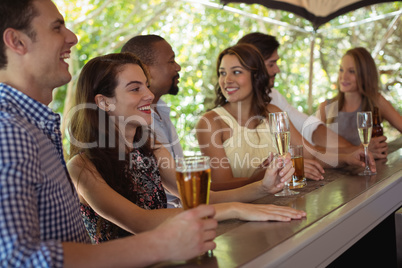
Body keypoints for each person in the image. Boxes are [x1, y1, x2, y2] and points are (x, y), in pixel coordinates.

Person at [0, 0, 218, 266]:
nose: (73, 37)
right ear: (16, 41)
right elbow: (17, 258)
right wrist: (161, 244)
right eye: (57, 28)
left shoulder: (34, 126)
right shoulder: (9, 130)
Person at [66, 52, 307, 243]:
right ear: (103, 102)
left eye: (146, 85)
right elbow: (140, 222)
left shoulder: (150, 146)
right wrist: (236, 210)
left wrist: (263, 187)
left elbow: (202, 199)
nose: (149, 94)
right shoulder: (82, 167)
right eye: (135, 88)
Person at [196, 44, 376, 191]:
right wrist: (266, 176)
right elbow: (218, 187)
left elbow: (309, 153)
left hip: (284, 203)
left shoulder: (272, 112)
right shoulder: (211, 123)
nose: (226, 80)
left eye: (236, 72)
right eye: (222, 72)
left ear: (256, 75)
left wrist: (346, 157)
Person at [237, 32, 388, 160]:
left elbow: (311, 128)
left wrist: (357, 150)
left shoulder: (273, 97)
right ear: (252, 66)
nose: (277, 70)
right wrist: (353, 152)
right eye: (271, 64)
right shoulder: (230, 112)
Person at [121, 35, 183, 208]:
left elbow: (183, 187)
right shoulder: (135, 128)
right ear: (145, 69)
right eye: (171, 61)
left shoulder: (161, 110)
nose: (178, 67)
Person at [317, 47, 401, 155]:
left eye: (352, 71)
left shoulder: (376, 102)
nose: (344, 76)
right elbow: (313, 149)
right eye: (341, 69)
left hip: (372, 170)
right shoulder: (326, 107)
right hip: (335, 172)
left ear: (365, 74)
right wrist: (359, 150)